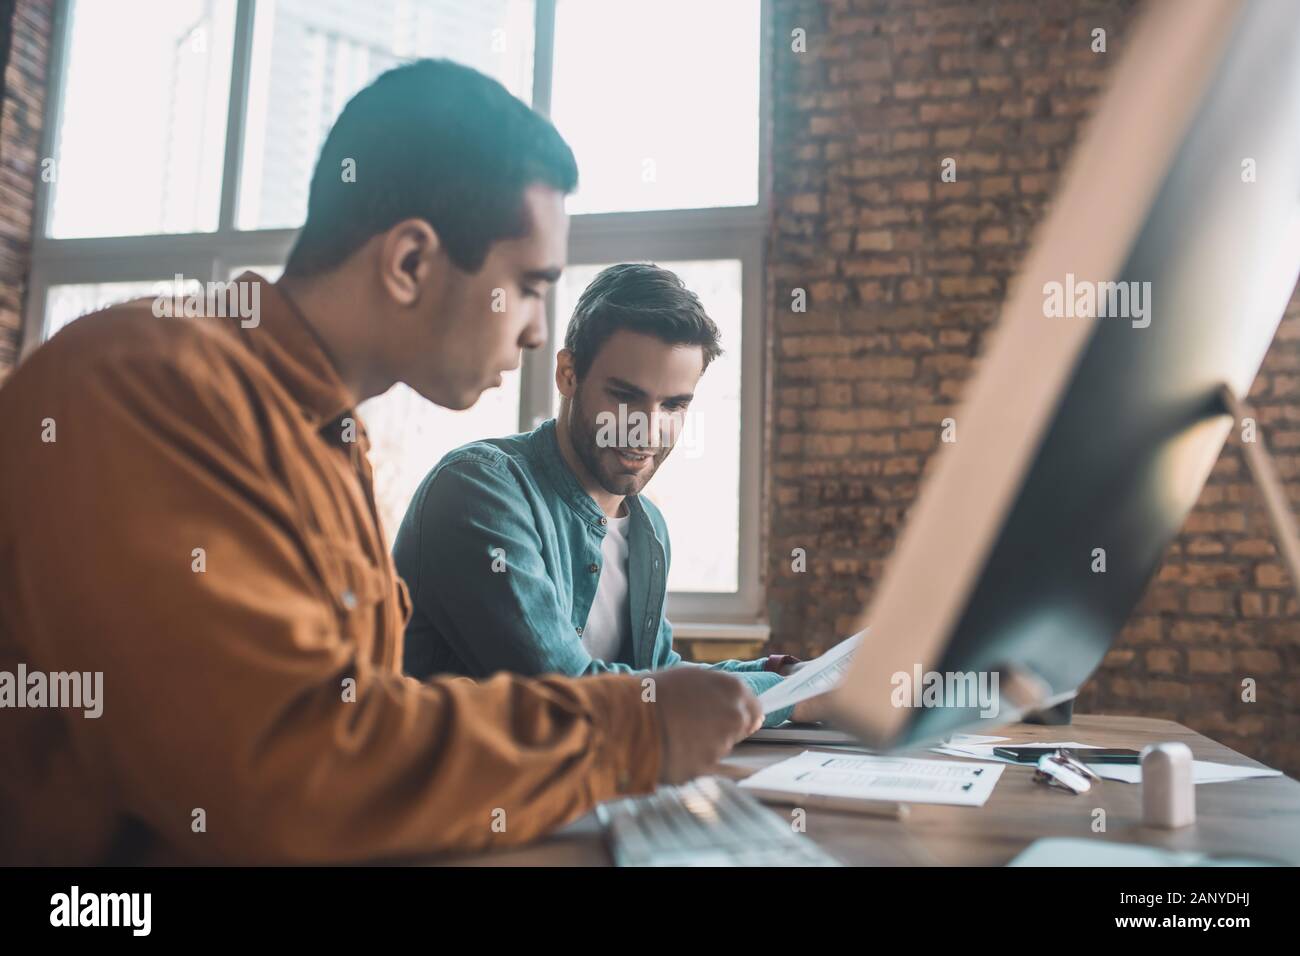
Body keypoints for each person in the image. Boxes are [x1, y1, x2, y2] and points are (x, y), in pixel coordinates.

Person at [0, 59, 760, 865]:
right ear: (409, 263)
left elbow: (364, 719)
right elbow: (295, 770)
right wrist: (632, 728)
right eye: (528, 287)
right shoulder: (146, 382)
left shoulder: (330, 442)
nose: (537, 332)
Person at [396, 263, 822, 728]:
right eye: (624, 396)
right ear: (567, 374)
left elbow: (652, 679)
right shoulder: (477, 491)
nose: (647, 429)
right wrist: (783, 697)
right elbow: (570, 693)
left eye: (674, 405)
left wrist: (789, 675)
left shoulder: (647, 528)